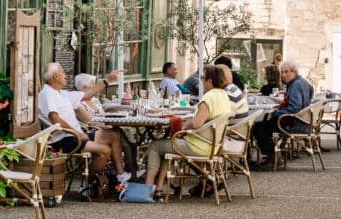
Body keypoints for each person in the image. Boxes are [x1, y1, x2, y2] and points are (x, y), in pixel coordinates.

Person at [144, 63, 231, 200]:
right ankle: (158, 190)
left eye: (203, 78)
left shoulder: (208, 98)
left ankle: (147, 189)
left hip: (197, 146)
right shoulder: (223, 96)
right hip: (213, 145)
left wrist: (185, 128)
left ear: (210, 81)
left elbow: (196, 123)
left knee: (155, 146)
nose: (201, 81)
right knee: (168, 147)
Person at [38, 63, 121, 200]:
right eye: (63, 72)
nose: (65, 75)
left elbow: (88, 94)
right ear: (56, 76)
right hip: (64, 139)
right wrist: (76, 133)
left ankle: (121, 175)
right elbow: (55, 118)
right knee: (105, 150)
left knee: (115, 134)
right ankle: (86, 183)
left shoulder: (62, 94)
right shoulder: (47, 94)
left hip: (76, 135)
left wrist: (107, 80)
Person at [251, 58, 313, 170]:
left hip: (295, 122)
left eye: (286, 72)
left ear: (294, 72)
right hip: (304, 121)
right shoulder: (304, 82)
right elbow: (310, 93)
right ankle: (273, 155)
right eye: (282, 72)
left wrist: (277, 112)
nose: (283, 75)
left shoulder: (295, 85)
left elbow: (294, 108)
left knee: (258, 127)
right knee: (265, 124)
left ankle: (273, 156)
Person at [72, 73, 131, 185]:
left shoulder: (94, 100)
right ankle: (121, 173)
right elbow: (91, 121)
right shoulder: (79, 105)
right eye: (93, 84)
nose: (95, 86)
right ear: (84, 87)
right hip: (90, 133)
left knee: (125, 132)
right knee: (117, 134)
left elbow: (103, 117)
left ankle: (127, 169)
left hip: (102, 129)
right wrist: (109, 123)